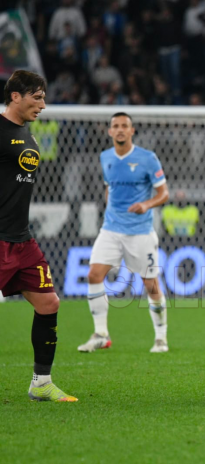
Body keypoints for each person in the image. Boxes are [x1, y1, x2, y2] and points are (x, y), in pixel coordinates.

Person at [0, 70, 77, 402]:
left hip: (22, 239)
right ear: (15, 96)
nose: (43, 104)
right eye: (37, 97)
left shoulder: (26, 133)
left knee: (49, 303)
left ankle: (41, 382)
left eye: (44, 97)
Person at [77, 113, 170, 353]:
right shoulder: (105, 157)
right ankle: (101, 334)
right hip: (110, 229)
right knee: (94, 275)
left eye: (124, 126)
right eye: (115, 126)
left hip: (140, 232)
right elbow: (110, 188)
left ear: (132, 131)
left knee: (151, 286)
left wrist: (146, 205)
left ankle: (161, 337)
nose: (119, 130)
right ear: (109, 131)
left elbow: (164, 193)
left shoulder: (147, 159)